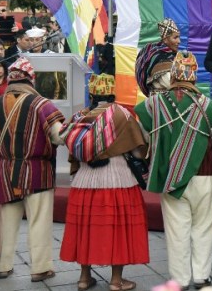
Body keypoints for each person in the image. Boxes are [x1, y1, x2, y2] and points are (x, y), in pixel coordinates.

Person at [135, 51, 212, 290]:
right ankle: (202, 277)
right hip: (202, 174)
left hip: (169, 177)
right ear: (194, 77)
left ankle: (180, 279)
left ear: (172, 75)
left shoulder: (151, 105)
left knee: (176, 230)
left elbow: (144, 139)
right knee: (203, 227)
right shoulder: (210, 107)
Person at [0, 57, 65, 282]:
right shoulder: (42, 104)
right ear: (30, 80)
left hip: (6, 171)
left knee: (6, 220)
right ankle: (40, 268)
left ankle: (2, 265)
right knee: (39, 220)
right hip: (37, 170)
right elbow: (59, 135)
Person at [60, 73, 149, 291]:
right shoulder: (122, 115)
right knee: (118, 229)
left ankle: (83, 278)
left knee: (85, 228)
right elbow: (138, 152)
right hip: (118, 179)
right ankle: (116, 281)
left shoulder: (81, 116)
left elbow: (72, 149)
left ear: (92, 93)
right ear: (112, 92)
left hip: (84, 180)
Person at [135, 18, 180, 97]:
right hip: (161, 103)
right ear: (165, 40)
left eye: (178, 37)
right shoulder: (160, 58)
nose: (179, 41)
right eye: (175, 38)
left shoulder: (170, 55)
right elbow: (171, 84)